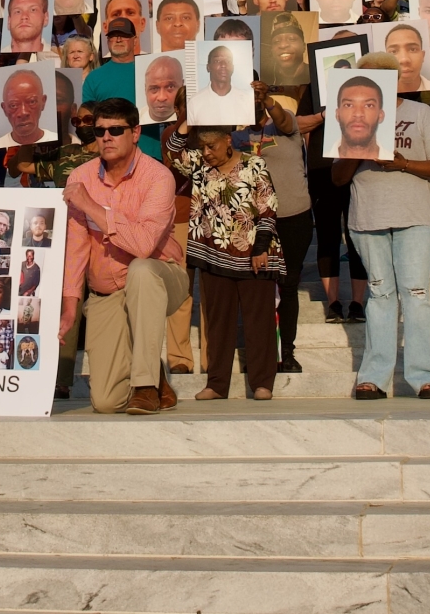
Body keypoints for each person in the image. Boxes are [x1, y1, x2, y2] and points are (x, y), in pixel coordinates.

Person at [59, 99, 187, 414]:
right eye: (99, 130)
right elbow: (76, 249)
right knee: (105, 402)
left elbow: (143, 245)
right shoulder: (80, 177)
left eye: (116, 130)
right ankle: (156, 376)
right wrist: (69, 309)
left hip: (161, 278)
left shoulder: (158, 177)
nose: (106, 137)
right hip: (107, 289)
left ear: (135, 133)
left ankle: (144, 385)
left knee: (141, 270)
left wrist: (92, 207)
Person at [336, 52, 430, 399]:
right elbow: (338, 178)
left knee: (415, 293)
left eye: (375, 76)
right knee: (380, 294)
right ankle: (373, 376)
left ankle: (426, 375)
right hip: (368, 217)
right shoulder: (350, 119)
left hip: (414, 216)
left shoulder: (420, 113)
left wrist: (403, 164)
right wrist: (355, 149)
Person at [177, 127, 283, 402]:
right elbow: (174, 152)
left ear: (227, 140)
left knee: (258, 322)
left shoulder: (253, 164)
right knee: (218, 323)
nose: (206, 153)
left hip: (254, 254)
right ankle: (217, 384)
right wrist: (186, 122)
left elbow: (268, 205)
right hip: (214, 254)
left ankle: (262, 383)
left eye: (211, 146)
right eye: (203, 148)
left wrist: (260, 247)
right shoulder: (200, 167)